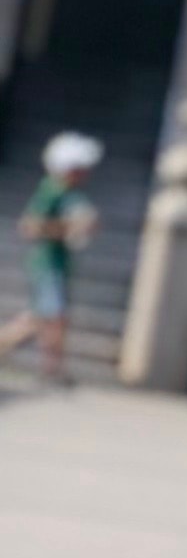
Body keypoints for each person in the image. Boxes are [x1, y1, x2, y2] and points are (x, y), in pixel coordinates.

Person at [0, 131, 103, 383]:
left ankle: (51, 367)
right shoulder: (53, 190)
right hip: (47, 264)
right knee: (54, 317)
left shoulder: (69, 193)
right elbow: (30, 226)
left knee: (38, 318)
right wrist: (69, 227)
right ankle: (53, 369)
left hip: (57, 263)